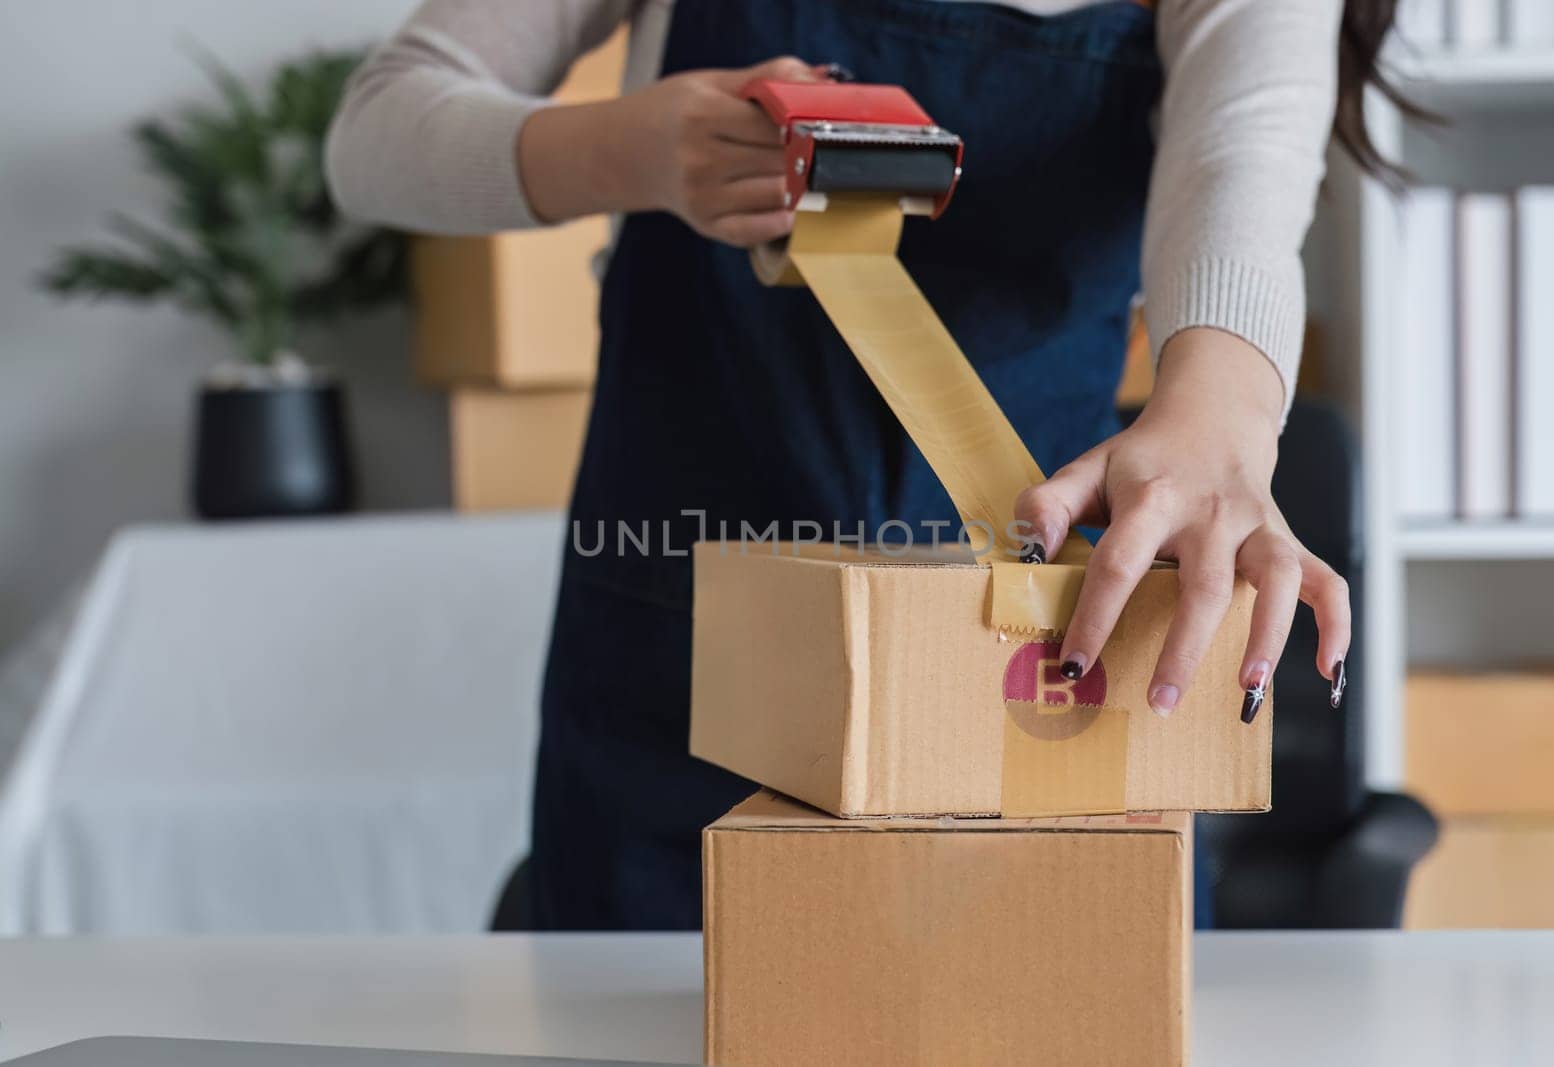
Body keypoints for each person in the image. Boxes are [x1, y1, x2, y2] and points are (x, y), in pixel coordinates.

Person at [328, 0, 1390, 931]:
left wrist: (1221, 414)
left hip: (1024, 679)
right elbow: (375, 131)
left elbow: (1239, 163)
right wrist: (631, 148)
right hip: (680, 661)